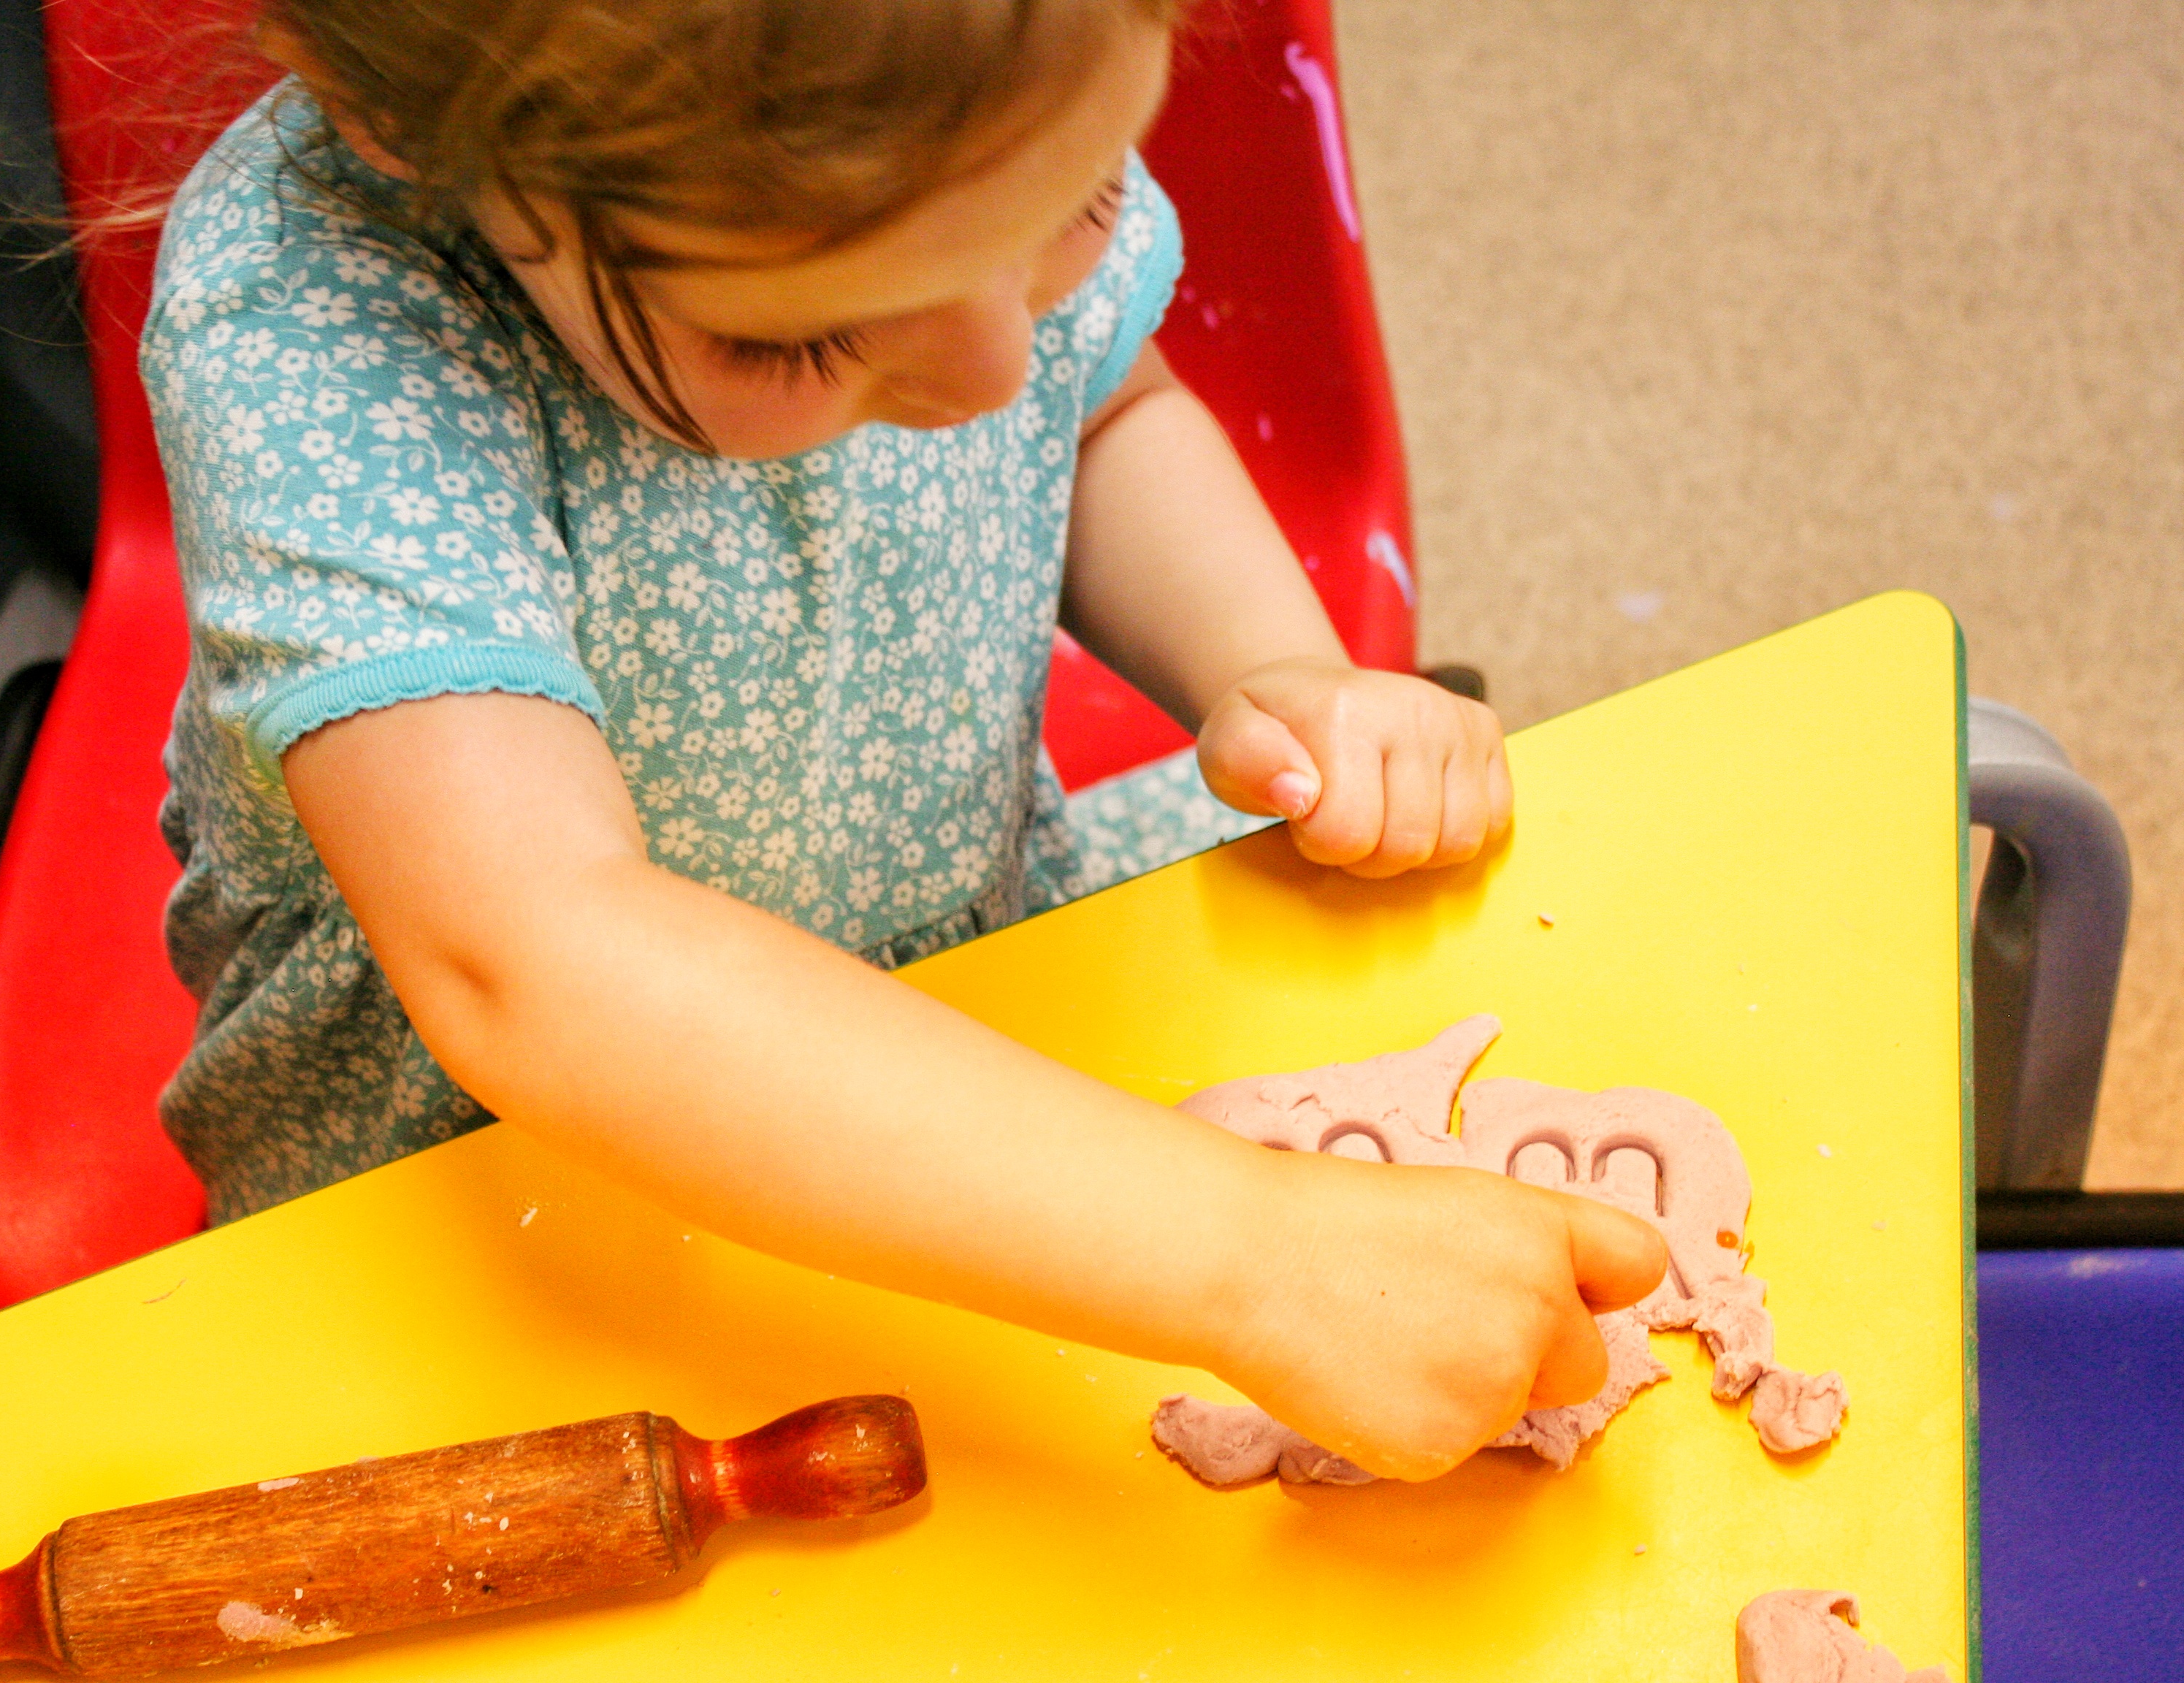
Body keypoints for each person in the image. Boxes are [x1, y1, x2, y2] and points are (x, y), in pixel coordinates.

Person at [144, 0, 1664, 1483]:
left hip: (965, 964)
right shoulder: (310, 320)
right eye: (807, 344)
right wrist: (1252, 1255)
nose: (995, 370)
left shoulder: (978, 129)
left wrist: (1270, 665)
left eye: (1075, 207)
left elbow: (1105, 413)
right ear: (396, 116)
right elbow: (531, 957)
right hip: (498, 1168)